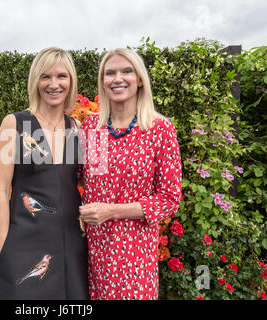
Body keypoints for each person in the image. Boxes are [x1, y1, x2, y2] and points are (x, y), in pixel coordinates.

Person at [79, 48, 182, 300]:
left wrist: (112, 211)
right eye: (110, 73)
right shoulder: (93, 128)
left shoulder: (159, 129)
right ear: (103, 82)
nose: (118, 79)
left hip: (136, 255)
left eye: (127, 71)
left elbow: (169, 200)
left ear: (139, 80)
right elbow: (84, 177)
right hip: (98, 252)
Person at [0, 47, 88, 300]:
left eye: (61, 76)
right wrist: (4, 251)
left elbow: (81, 183)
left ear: (71, 81)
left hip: (71, 247)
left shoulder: (75, 129)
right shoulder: (15, 124)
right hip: (25, 246)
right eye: (46, 76)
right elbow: (0, 191)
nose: (54, 84)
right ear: (36, 80)